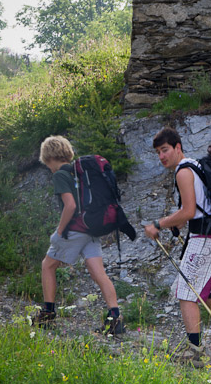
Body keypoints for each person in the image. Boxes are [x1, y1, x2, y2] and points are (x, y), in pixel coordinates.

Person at [144, 127, 211, 367]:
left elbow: (189, 211)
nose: (162, 156)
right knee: (208, 292)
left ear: (178, 147)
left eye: (165, 150)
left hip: (205, 239)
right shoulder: (196, 166)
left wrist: (158, 225)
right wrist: (177, 224)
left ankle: (194, 351)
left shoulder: (183, 172)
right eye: (158, 152)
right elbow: (193, 211)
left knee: (186, 292)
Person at [37, 135, 124, 336]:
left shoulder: (59, 174)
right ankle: (115, 318)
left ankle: (48, 314)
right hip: (91, 228)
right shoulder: (79, 171)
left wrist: (59, 232)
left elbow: (71, 205)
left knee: (47, 265)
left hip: (76, 229)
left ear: (48, 157)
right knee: (98, 272)